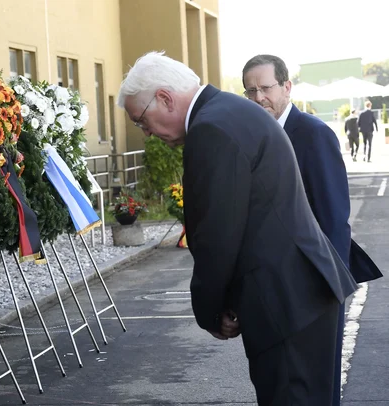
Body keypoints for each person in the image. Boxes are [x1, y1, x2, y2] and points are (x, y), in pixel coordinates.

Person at [118, 51, 358, 405]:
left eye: (141, 120)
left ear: (165, 98)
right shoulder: (229, 109)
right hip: (298, 296)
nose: (147, 133)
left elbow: (218, 233)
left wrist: (211, 310)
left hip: (285, 302)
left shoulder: (211, 128)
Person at [241, 54, 383, 406]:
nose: (259, 98)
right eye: (250, 91)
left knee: (316, 390)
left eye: (265, 88)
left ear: (287, 87)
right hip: (277, 291)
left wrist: (328, 287)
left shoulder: (314, 134)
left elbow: (334, 219)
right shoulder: (255, 136)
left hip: (315, 288)